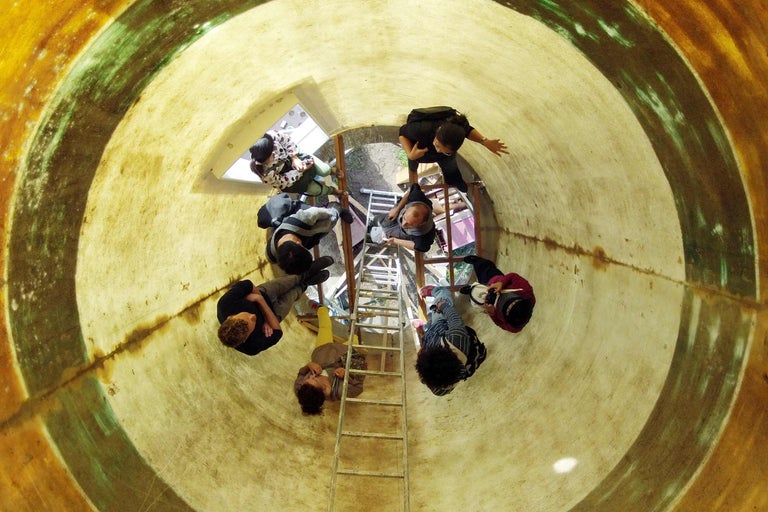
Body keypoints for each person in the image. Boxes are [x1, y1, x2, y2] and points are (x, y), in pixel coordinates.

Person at [216, 262, 332, 356]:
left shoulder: (225, 305)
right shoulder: (252, 346)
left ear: (230, 317)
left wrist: (260, 298)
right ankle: (305, 284)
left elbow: (247, 284)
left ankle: (306, 273)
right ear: (245, 339)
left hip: (265, 293)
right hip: (275, 314)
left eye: (247, 315)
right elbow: (277, 333)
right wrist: (261, 306)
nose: (253, 316)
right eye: (253, 321)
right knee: (293, 294)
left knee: (289, 281)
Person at [398, 106, 509, 192]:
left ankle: (454, 180)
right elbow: (402, 132)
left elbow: (468, 130)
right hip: (418, 150)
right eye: (437, 145)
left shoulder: (458, 128)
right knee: (413, 168)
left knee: (450, 167)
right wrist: (410, 154)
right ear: (437, 132)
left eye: (445, 151)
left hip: (444, 158)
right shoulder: (421, 129)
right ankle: (414, 190)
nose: (438, 151)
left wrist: (484, 141)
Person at [415, 286, 487, 396]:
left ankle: (425, 326)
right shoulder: (456, 338)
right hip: (443, 327)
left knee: (431, 324)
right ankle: (438, 291)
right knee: (441, 301)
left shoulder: (439, 388)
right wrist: (442, 305)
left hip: (433, 333)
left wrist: (423, 337)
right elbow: (453, 317)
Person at [294, 306, 367, 414]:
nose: (311, 376)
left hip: (322, 351)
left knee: (325, 327)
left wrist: (309, 365)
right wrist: (347, 375)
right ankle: (354, 326)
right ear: (322, 390)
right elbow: (359, 387)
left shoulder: (300, 388)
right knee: (353, 339)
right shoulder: (341, 391)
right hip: (344, 354)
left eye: (308, 378)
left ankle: (322, 308)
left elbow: (301, 373)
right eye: (314, 380)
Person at [264, 196, 353, 275]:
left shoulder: (304, 218)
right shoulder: (271, 255)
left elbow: (317, 212)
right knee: (318, 236)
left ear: (299, 243)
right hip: (306, 235)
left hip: (307, 223)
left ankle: (336, 207)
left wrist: (331, 213)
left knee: (330, 221)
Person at [249, 130, 338, 196]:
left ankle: (333, 171)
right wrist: (301, 170)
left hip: (293, 156)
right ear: (262, 160)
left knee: (325, 171)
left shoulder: (271, 136)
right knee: (316, 190)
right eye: (270, 155)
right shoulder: (265, 174)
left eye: (273, 148)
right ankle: (332, 191)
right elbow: (283, 182)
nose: (274, 153)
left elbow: (287, 140)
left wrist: (294, 158)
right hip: (291, 178)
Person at [460, 255, 535, 333]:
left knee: (478, 294)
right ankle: (477, 261)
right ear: (520, 298)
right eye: (511, 301)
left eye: (507, 307)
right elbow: (513, 276)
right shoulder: (527, 292)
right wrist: (501, 282)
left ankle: (471, 289)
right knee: (486, 269)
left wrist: (492, 314)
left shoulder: (514, 327)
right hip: (495, 280)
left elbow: (499, 323)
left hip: (489, 299)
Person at [369, 182, 436, 252]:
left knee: (384, 232)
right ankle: (374, 222)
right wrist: (397, 209)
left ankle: (377, 234)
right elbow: (411, 190)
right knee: (380, 221)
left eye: (410, 224)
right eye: (405, 218)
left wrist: (395, 240)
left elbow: (418, 248)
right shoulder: (417, 196)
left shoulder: (425, 235)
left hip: (403, 232)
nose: (404, 224)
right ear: (408, 207)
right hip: (398, 214)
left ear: (421, 224)